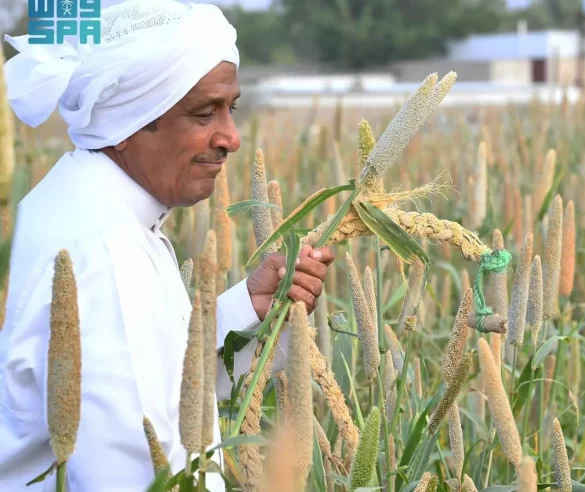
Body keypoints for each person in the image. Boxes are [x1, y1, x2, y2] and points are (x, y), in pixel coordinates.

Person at [0, 0, 335, 490]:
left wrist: (248, 310)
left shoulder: (95, 208)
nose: (231, 138)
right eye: (205, 114)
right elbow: (137, 470)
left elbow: (159, 385)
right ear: (128, 123)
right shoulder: (103, 257)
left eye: (231, 108)